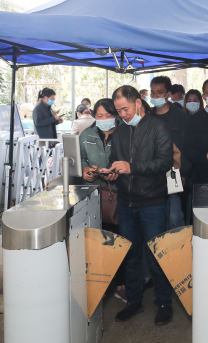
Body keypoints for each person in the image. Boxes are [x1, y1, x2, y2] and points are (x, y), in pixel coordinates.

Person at [101, 85, 173, 326]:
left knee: (156, 255)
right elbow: (115, 160)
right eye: (119, 110)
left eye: (126, 109)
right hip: (125, 201)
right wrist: (112, 171)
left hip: (152, 202)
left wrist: (132, 168)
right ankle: (134, 301)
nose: (123, 114)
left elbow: (164, 162)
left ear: (138, 103)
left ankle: (164, 303)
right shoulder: (120, 131)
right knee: (130, 255)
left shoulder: (158, 127)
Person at [78, 98, 124, 299]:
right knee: (96, 240)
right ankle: (100, 284)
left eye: (108, 115)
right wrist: (85, 169)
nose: (104, 120)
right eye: (100, 116)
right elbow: (79, 157)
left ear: (116, 116)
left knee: (118, 239)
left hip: (119, 194)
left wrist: (116, 172)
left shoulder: (124, 133)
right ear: (93, 115)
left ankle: (121, 283)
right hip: (93, 194)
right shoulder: (87, 134)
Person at [149, 76, 187, 229]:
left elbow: (186, 146)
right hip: (152, 173)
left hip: (174, 172)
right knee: (156, 218)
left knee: (174, 217)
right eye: (153, 93)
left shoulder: (180, 116)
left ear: (168, 94)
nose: (156, 96)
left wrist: (184, 172)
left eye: (160, 92)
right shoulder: (148, 115)